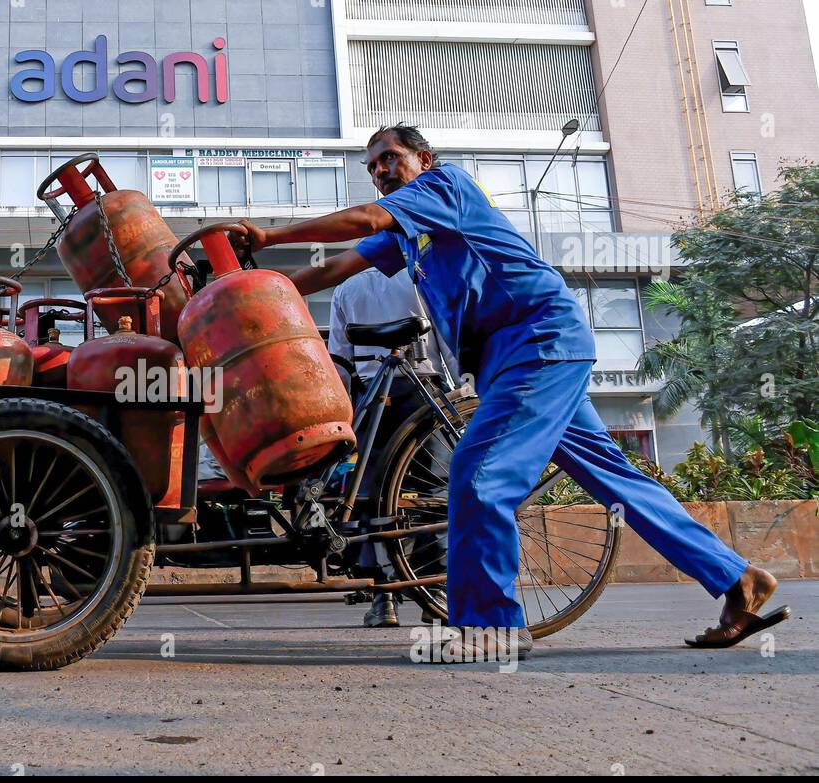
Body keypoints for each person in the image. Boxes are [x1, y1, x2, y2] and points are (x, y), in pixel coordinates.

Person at [235, 123, 789, 662]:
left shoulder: (445, 185)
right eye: (373, 164)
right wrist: (247, 287)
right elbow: (337, 267)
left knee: (479, 475)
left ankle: (493, 625)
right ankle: (737, 579)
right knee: (618, 482)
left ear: (423, 160)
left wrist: (273, 235)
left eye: (390, 157)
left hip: (537, 340)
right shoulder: (408, 233)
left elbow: (366, 218)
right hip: (516, 357)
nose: (380, 170)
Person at [329, 253, 457, 628]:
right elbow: (447, 345)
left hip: (373, 396)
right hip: (423, 390)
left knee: (371, 496)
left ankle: (384, 597)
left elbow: (340, 361)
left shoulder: (346, 288)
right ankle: (437, 592)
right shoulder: (422, 278)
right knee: (436, 496)